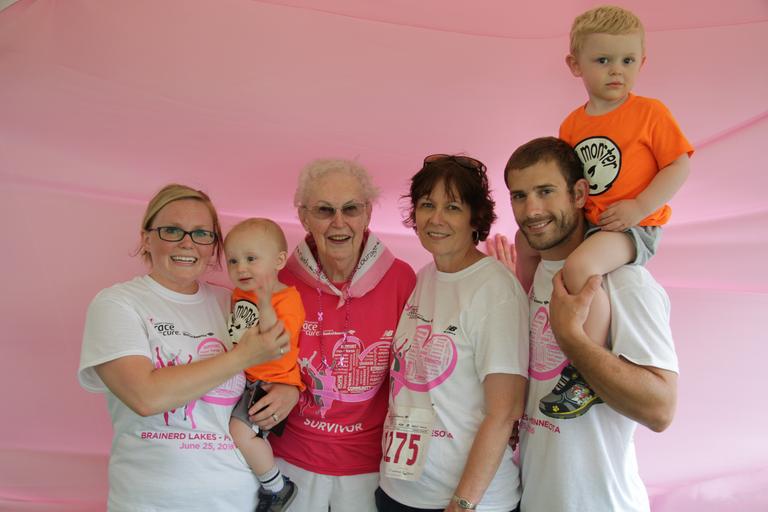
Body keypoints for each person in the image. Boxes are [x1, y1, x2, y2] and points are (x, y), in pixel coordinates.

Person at [513, 5, 692, 419]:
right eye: (603, 60)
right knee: (527, 243)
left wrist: (639, 207)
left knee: (580, 268)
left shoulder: (649, 113)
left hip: (632, 227)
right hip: (591, 223)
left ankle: (583, 370)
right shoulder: (573, 124)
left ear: (642, 62)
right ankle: (522, 317)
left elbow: (679, 165)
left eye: (628, 60)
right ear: (575, 65)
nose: (616, 70)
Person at [78, 184, 294, 511]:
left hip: (236, 498)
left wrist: (289, 390)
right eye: (172, 230)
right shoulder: (117, 304)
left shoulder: (231, 302)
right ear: (146, 238)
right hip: (152, 502)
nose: (187, 243)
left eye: (202, 234)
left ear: (214, 246)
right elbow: (146, 397)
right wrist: (242, 356)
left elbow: (273, 360)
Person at [502, 137, 678, 512]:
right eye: (519, 196)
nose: (531, 210)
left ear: (580, 193)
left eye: (545, 191)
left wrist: (573, 340)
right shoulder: (532, 276)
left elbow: (661, 409)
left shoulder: (625, 282)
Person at [262, 159, 417, 512]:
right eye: (324, 210)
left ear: (367, 214)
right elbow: (256, 362)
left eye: (350, 209)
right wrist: (285, 384)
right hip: (291, 460)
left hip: (370, 464)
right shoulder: (280, 281)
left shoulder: (401, 279)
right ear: (303, 217)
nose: (338, 222)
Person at [377, 154, 529, 512]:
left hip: (466, 502)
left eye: (453, 207)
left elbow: (504, 412)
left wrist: (463, 502)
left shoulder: (495, 289)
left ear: (476, 218)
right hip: (400, 491)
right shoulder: (425, 277)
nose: (436, 218)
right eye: (427, 205)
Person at [224, 218, 305, 511]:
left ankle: (276, 487)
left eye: (251, 259)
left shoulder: (287, 299)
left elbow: (276, 343)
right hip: (243, 377)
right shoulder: (238, 294)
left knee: (240, 432)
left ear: (279, 261)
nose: (241, 268)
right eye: (233, 261)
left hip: (268, 383)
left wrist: (265, 302)